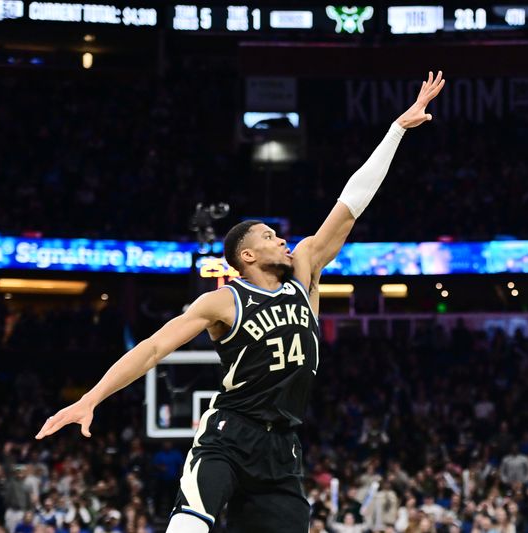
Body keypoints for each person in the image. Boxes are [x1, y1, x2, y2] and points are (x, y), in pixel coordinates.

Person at [34, 71, 446, 533]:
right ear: (246, 256)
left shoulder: (306, 269)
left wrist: (396, 131)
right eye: (270, 237)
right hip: (229, 435)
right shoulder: (224, 302)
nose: (284, 240)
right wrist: (91, 398)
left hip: (283, 447)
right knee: (189, 526)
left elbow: (352, 203)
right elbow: (152, 348)